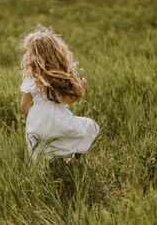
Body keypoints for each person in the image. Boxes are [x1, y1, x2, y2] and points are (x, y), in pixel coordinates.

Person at [20, 26, 99, 161]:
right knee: (89, 127)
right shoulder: (61, 76)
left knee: (41, 144)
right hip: (59, 120)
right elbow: (69, 100)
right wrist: (82, 89)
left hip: (37, 123)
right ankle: (75, 159)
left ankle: (44, 166)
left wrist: (32, 120)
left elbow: (23, 105)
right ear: (57, 51)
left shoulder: (32, 78)